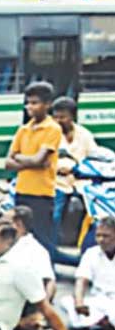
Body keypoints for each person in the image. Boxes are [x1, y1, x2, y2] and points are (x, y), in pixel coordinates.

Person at [5, 81, 62, 252]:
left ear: (47, 104)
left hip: (42, 193)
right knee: (20, 237)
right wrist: (31, 161)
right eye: (28, 102)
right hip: (22, 191)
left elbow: (40, 161)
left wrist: (20, 159)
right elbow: (8, 163)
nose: (29, 107)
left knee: (42, 240)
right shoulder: (23, 129)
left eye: (34, 103)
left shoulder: (53, 129)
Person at [52, 96, 97, 265]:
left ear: (72, 116)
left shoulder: (84, 135)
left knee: (97, 213)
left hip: (82, 183)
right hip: (59, 183)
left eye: (62, 117)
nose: (58, 121)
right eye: (55, 117)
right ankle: (53, 253)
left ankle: (89, 253)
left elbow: (93, 158)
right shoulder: (50, 135)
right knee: (54, 215)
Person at [60, 216, 115, 330]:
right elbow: (81, 280)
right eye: (98, 235)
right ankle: (102, 321)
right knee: (67, 302)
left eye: (106, 236)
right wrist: (79, 302)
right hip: (98, 300)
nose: (101, 239)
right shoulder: (91, 253)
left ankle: (102, 321)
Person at [8, 205, 57, 330]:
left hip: (21, 300)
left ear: (17, 224)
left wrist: (42, 311)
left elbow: (49, 282)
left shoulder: (36, 250)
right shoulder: (2, 242)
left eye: (6, 223)